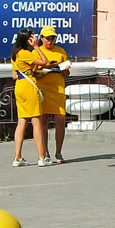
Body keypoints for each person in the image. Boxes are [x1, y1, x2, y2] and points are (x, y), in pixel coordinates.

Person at [10, 28, 52, 167]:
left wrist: (31, 70)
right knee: (36, 121)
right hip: (29, 88)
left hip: (19, 86)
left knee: (22, 121)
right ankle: (42, 157)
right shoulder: (25, 53)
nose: (34, 38)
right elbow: (45, 62)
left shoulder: (15, 54)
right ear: (26, 40)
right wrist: (36, 47)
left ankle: (18, 157)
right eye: (31, 37)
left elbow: (15, 75)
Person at [37, 24, 71, 163]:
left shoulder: (60, 51)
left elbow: (66, 74)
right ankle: (45, 152)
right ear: (42, 38)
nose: (50, 41)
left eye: (52, 38)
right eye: (47, 38)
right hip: (43, 90)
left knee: (60, 119)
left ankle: (59, 152)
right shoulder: (36, 52)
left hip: (58, 90)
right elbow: (34, 73)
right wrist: (46, 68)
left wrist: (65, 68)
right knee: (43, 121)